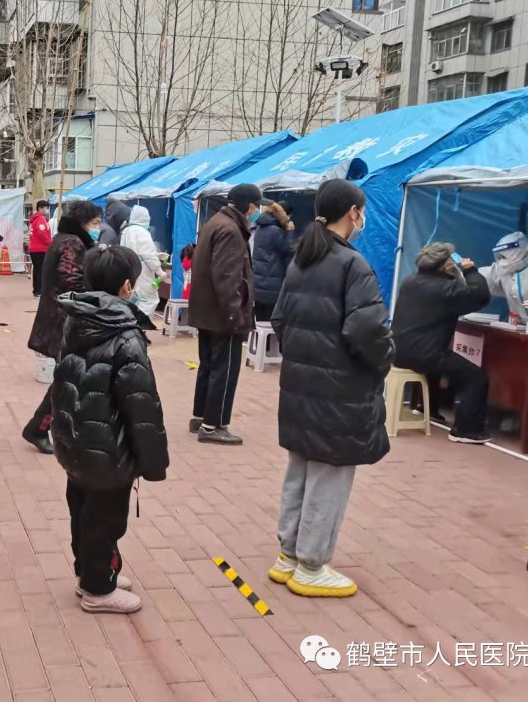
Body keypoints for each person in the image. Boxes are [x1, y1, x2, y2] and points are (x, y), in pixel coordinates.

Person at [268, 180, 394, 598]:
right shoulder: (351, 264)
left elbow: (281, 321)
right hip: (339, 388)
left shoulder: (304, 258)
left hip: (302, 385)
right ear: (353, 213)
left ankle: (289, 554)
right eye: (362, 211)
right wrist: (383, 358)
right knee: (330, 474)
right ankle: (312, 564)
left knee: (301, 468)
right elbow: (368, 329)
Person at [52, 246, 169, 614]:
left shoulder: (78, 318)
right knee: (105, 519)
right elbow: (141, 403)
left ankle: (90, 571)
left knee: (83, 510)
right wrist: (153, 462)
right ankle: (98, 589)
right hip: (110, 447)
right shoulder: (125, 334)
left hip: (78, 441)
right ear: (127, 285)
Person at [392, 243, 492, 445]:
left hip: (397, 350)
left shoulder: (409, 281)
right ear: (445, 265)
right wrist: (470, 271)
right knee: (475, 377)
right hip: (424, 353)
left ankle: (426, 408)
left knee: (439, 365)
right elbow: (480, 296)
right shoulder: (445, 289)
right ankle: (465, 430)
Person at [25, 199, 104, 454]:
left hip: (59, 319)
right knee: (66, 379)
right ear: (81, 223)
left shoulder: (62, 239)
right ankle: (38, 427)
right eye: (94, 223)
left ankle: (54, 427)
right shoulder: (72, 242)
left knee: (68, 377)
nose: (98, 227)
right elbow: (71, 280)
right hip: (65, 322)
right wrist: (98, 294)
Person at [188, 184, 262, 445]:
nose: (256, 212)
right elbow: (227, 277)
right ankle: (213, 425)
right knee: (225, 368)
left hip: (207, 311)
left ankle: (200, 416)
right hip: (223, 314)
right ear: (250, 206)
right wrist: (234, 316)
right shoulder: (231, 230)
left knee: (208, 364)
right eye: (256, 206)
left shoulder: (215, 222)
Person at [252, 200, 296, 322]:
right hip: (272, 285)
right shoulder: (276, 231)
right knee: (272, 321)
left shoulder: (260, 227)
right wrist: (290, 232)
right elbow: (288, 249)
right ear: (284, 214)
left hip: (258, 284)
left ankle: (260, 341)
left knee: (261, 321)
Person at [121, 205, 166, 316]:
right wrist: (159, 271)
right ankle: (140, 326)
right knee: (150, 300)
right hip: (143, 271)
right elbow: (148, 254)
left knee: (133, 299)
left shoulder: (126, 230)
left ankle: (131, 325)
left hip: (129, 269)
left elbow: (137, 251)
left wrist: (157, 255)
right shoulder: (141, 231)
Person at [29, 199, 53, 297]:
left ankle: (39, 290)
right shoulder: (40, 219)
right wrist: (50, 243)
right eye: (46, 208)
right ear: (40, 208)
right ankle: (38, 291)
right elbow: (42, 233)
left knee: (39, 270)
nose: (47, 210)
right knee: (39, 270)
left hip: (38, 248)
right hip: (39, 248)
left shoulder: (40, 218)